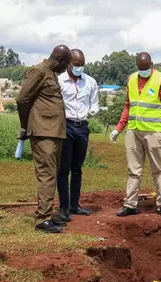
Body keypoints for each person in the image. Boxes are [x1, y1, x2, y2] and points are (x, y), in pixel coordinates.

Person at [110, 52, 161, 217]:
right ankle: (130, 204)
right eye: (141, 68)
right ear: (137, 66)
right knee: (133, 170)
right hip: (133, 130)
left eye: (146, 68)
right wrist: (119, 128)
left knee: (158, 170)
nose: (143, 71)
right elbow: (127, 105)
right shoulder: (131, 79)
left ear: (151, 65)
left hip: (153, 132)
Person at [16, 45, 72, 234]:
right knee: (47, 175)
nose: (67, 69)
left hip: (53, 132)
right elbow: (22, 99)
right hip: (43, 132)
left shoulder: (51, 73)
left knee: (51, 174)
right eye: (67, 64)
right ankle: (43, 219)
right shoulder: (39, 71)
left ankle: (46, 214)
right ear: (60, 59)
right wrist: (25, 126)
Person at [56, 49, 99, 222]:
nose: (79, 68)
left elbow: (94, 103)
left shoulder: (90, 82)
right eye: (76, 65)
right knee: (63, 168)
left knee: (77, 168)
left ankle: (75, 204)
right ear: (69, 64)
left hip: (82, 127)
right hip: (66, 125)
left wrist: (92, 111)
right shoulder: (59, 81)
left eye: (82, 65)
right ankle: (64, 207)